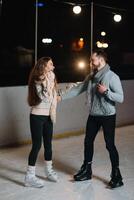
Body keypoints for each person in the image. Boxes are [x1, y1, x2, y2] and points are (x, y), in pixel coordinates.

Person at [59, 49, 124, 189]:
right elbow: (78, 89)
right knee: (88, 142)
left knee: (109, 145)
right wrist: (60, 97)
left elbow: (121, 97)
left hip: (107, 116)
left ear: (101, 60)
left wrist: (106, 92)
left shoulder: (112, 77)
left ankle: (116, 175)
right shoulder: (91, 76)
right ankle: (87, 170)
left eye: (92, 60)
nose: (90, 62)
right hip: (94, 115)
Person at [25, 57, 59, 188]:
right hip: (37, 116)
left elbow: (52, 98)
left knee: (48, 145)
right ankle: (29, 176)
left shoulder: (51, 77)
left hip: (48, 116)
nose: (53, 66)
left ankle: (48, 171)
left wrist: (65, 90)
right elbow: (44, 96)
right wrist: (49, 83)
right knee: (37, 145)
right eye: (51, 64)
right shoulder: (38, 79)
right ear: (44, 65)